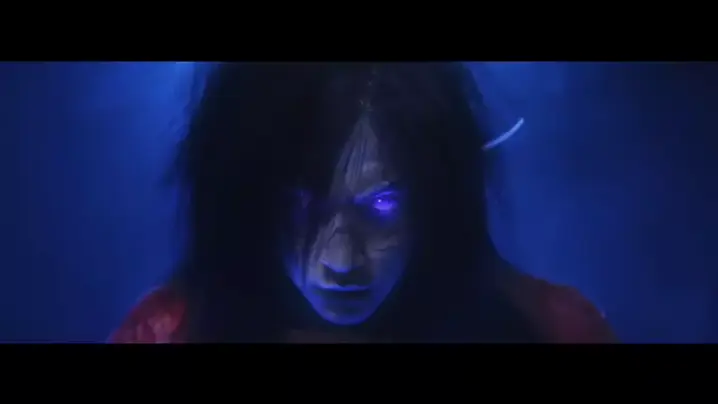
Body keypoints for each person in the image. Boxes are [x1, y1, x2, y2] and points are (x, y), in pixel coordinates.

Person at [110, 62, 615, 343]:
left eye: (383, 206)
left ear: (440, 193)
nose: (342, 260)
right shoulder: (165, 336)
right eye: (301, 208)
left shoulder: (553, 331)